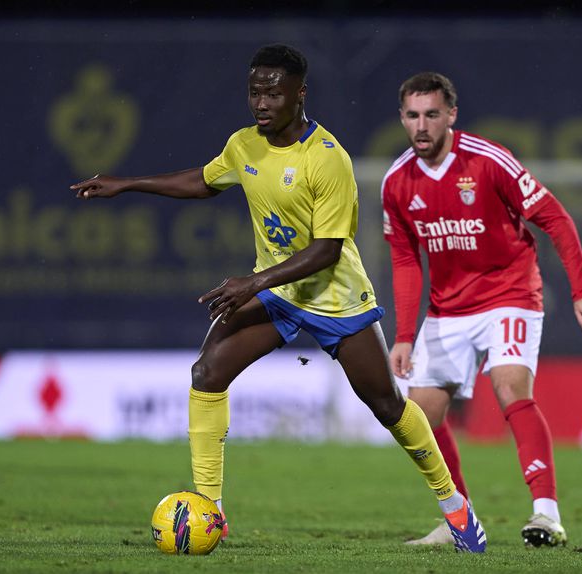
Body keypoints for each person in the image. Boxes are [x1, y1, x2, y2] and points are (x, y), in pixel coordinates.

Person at [71, 46, 486, 553]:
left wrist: (253, 282)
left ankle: (456, 508)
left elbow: (327, 251)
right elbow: (204, 181)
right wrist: (128, 183)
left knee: (386, 405)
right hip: (278, 293)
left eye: (273, 92)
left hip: (336, 297)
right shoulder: (244, 145)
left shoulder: (327, 158)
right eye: (254, 91)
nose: (261, 102)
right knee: (207, 374)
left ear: (299, 94)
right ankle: (210, 511)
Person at [382, 72, 582, 548]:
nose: (421, 126)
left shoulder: (488, 161)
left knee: (510, 388)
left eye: (431, 114)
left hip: (510, 292)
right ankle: (459, 521)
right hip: (448, 310)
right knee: (421, 416)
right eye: (412, 115)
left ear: (451, 115)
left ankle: (546, 515)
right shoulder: (397, 182)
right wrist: (405, 334)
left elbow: (555, 218)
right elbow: (405, 260)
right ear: (402, 118)